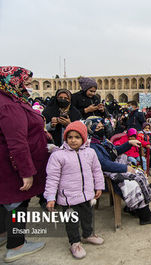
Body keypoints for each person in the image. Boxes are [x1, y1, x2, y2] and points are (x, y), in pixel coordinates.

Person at [0, 66, 47, 262]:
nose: (28, 85)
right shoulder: (9, 105)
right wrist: (26, 171)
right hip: (14, 166)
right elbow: (17, 142)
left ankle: (4, 235)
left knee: (6, 200)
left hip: (9, 163)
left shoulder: (9, 99)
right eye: (25, 81)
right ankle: (16, 245)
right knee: (18, 202)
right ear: (13, 80)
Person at [45, 121, 105, 259]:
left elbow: (97, 170)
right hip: (68, 198)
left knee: (87, 216)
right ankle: (75, 242)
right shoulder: (58, 155)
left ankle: (88, 235)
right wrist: (50, 197)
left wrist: (99, 186)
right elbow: (52, 178)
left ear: (83, 138)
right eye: (70, 137)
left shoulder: (90, 152)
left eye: (77, 137)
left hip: (87, 195)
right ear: (65, 138)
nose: (73, 140)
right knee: (72, 222)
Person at [86, 117, 151, 224]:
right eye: (98, 128)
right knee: (132, 183)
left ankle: (134, 208)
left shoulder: (102, 142)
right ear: (91, 130)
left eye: (102, 126)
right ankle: (145, 217)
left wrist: (129, 143)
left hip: (114, 167)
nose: (102, 129)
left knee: (139, 174)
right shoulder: (93, 146)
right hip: (108, 175)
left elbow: (114, 152)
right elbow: (104, 164)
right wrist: (125, 168)